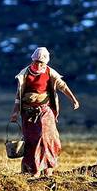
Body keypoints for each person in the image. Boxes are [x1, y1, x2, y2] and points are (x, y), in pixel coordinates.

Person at [9, 47, 79, 177]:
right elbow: (18, 96)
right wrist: (15, 112)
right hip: (28, 112)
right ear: (32, 60)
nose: (38, 64)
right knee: (32, 140)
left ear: (46, 62)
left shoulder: (49, 72)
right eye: (36, 61)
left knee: (49, 138)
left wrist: (73, 100)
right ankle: (32, 170)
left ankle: (48, 169)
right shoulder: (24, 73)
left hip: (46, 110)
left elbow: (62, 86)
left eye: (41, 62)